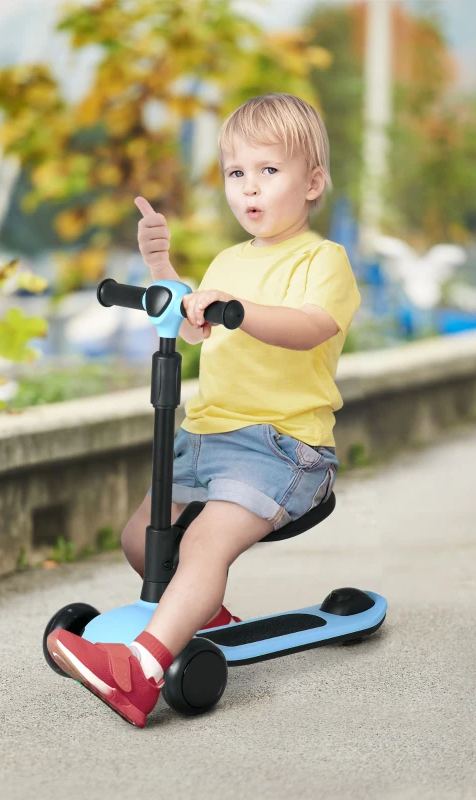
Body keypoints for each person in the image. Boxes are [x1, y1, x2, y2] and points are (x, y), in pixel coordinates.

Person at [47, 92, 361, 727]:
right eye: (236, 173)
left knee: (201, 549)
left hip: (282, 447)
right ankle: (200, 613)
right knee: (142, 540)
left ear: (312, 182)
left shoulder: (321, 260)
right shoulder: (226, 262)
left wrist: (240, 311)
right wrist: (163, 270)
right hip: (206, 438)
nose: (250, 188)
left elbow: (309, 327)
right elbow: (194, 327)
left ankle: (140, 670)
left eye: (269, 171)